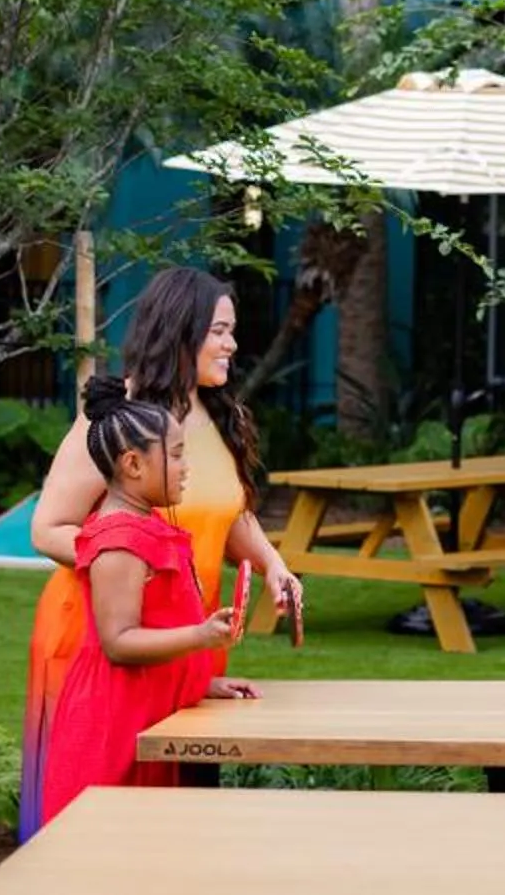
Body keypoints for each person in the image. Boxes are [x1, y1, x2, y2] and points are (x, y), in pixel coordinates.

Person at [22, 268, 301, 838]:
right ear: (182, 331)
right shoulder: (119, 419)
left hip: (176, 646)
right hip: (102, 644)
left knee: (167, 824)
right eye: (220, 331)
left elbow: (228, 509)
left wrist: (273, 563)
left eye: (232, 331)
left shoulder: (217, 414)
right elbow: (49, 528)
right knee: (97, 818)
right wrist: (134, 566)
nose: (232, 344)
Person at [33, 377, 259, 827]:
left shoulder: (147, 527)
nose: (187, 467)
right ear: (134, 464)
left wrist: (198, 682)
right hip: (113, 727)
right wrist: (199, 637)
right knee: (107, 848)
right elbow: (119, 642)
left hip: (147, 714)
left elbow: (154, 627)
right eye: (176, 455)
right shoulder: (120, 542)